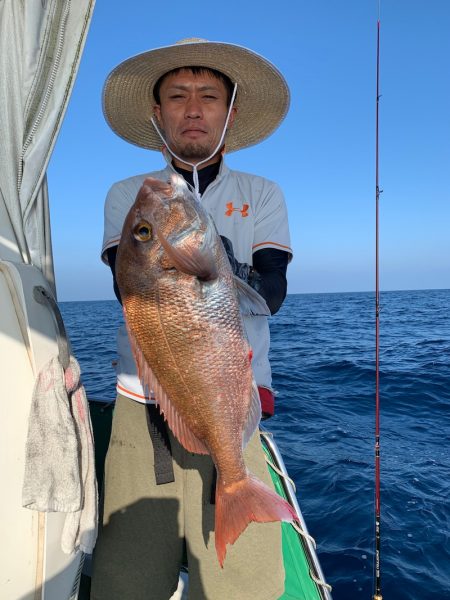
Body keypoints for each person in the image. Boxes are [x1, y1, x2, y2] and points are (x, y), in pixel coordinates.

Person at [91, 38, 293, 600]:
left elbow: (272, 290)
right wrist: (188, 260)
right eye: (177, 95)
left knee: (244, 586)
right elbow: (128, 281)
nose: (194, 107)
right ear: (158, 114)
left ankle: (237, 488)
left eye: (209, 95)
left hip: (234, 404)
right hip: (141, 407)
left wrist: (218, 269)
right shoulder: (129, 195)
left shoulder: (262, 194)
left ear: (229, 112)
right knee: (127, 580)